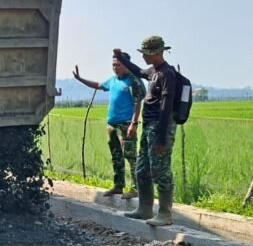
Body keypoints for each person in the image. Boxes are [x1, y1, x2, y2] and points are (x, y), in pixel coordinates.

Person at [114, 36, 179, 226]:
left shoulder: (167, 74)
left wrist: (160, 138)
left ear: (157, 53)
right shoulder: (153, 71)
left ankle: (165, 213)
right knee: (143, 169)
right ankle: (144, 209)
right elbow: (138, 71)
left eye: (146, 54)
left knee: (161, 170)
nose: (143, 57)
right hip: (149, 126)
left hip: (161, 127)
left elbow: (166, 107)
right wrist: (122, 58)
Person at [72, 50, 145, 198]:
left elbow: (138, 103)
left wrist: (134, 124)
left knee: (131, 157)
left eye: (117, 65)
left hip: (126, 125)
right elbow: (98, 85)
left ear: (126, 65)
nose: (114, 68)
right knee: (116, 156)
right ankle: (118, 186)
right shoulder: (112, 80)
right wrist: (80, 79)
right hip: (111, 125)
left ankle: (136, 188)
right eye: (113, 65)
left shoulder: (133, 81)